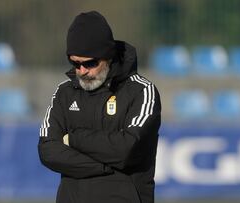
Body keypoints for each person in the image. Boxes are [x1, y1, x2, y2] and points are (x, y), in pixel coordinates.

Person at [38, 11, 161, 203]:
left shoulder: (142, 91)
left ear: (108, 56)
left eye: (90, 63)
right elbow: (48, 150)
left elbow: (126, 149)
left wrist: (73, 138)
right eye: (75, 63)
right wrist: (104, 167)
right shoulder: (64, 92)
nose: (82, 71)